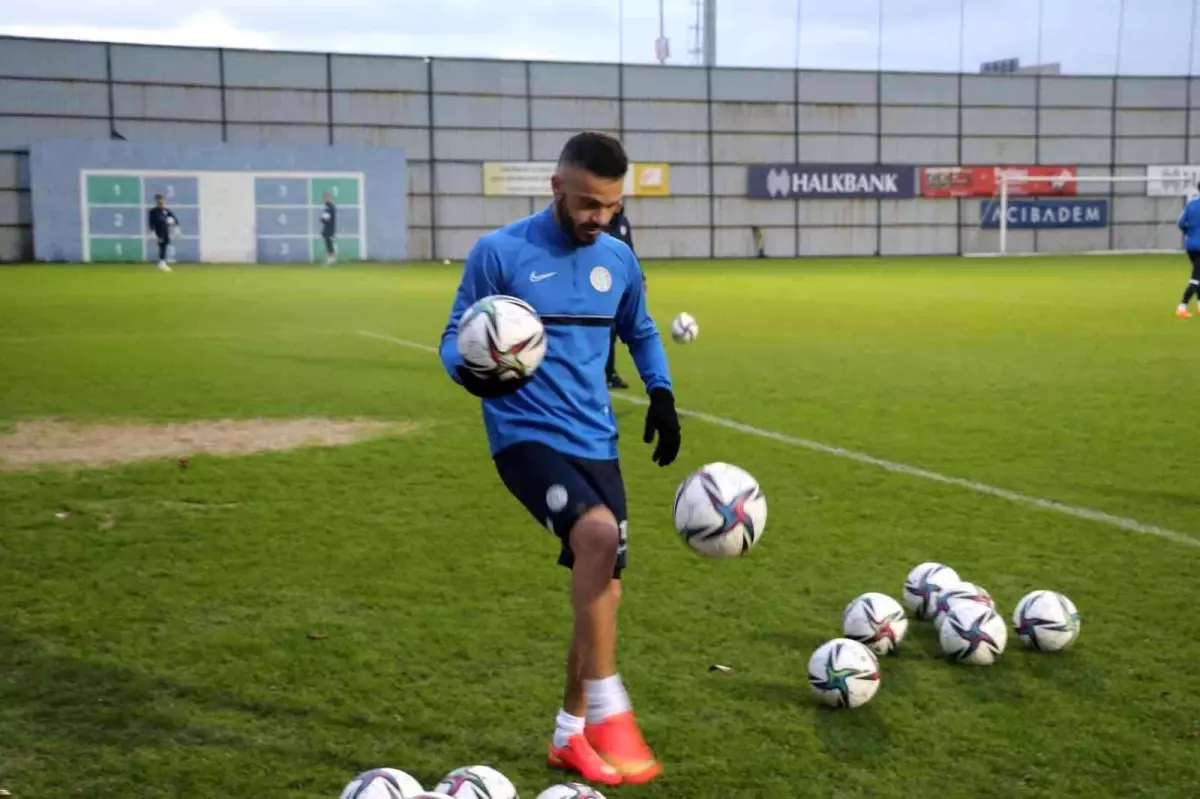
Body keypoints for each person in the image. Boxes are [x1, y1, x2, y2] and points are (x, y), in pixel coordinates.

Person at [438, 131, 682, 787]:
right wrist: (471, 369)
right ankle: (608, 708)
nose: (595, 217)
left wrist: (660, 392)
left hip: (595, 439)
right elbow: (451, 337)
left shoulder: (618, 260)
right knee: (597, 536)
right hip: (525, 437)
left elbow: (641, 329)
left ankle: (568, 735)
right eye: (584, 203)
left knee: (602, 592)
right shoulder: (500, 252)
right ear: (556, 187)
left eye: (607, 205)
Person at [603, 204, 644, 390]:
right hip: (600, 282)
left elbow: (630, 251)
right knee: (605, 329)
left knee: (615, 329)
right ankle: (603, 373)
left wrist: (640, 276)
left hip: (620, 282)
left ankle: (609, 373)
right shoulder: (600, 222)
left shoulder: (623, 223)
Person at [1177, 185, 1200, 317]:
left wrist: (1189, 234)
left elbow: (1180, 223)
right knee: (1196, 278)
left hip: (1190, 245)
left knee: (1199, 274)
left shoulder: (1191, 204)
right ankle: (1182, 307)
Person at [146, 194, 179, 272]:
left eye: (161, 199)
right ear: (156, 201)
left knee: (165, 245)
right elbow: (151, 222)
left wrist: (176, 227)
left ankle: (161, 262)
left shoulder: (166, 210)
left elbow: (174, 219)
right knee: (162, 246)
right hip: (158, 231)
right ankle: (162, 263)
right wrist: (152, 232)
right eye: (158, 200)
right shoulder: (153, 211)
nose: (160, 201)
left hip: (166, 231)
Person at [320, 191, 337, 265]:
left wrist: (322, 219)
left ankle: (332, 258)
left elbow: (327, 219)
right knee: (327, 243)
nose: (325, 199)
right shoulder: (327, 206)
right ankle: (330, 258)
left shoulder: (330, 207)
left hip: (330, 228)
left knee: (329, 243)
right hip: (327, 228)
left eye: (326, 197)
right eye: (324, 197)